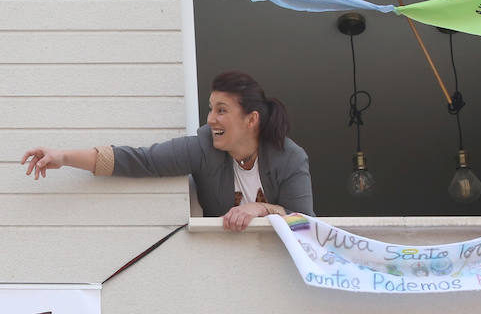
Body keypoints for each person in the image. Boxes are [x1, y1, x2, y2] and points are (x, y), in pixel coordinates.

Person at [21, 70, 314, 231]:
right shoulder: (203, 147)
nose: (211, 119)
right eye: (210, 109)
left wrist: (261, 209)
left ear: (251, 119)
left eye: (222, 110)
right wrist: (64, 157)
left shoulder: (289, 157)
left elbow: (306, 223)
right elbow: (140, 160)